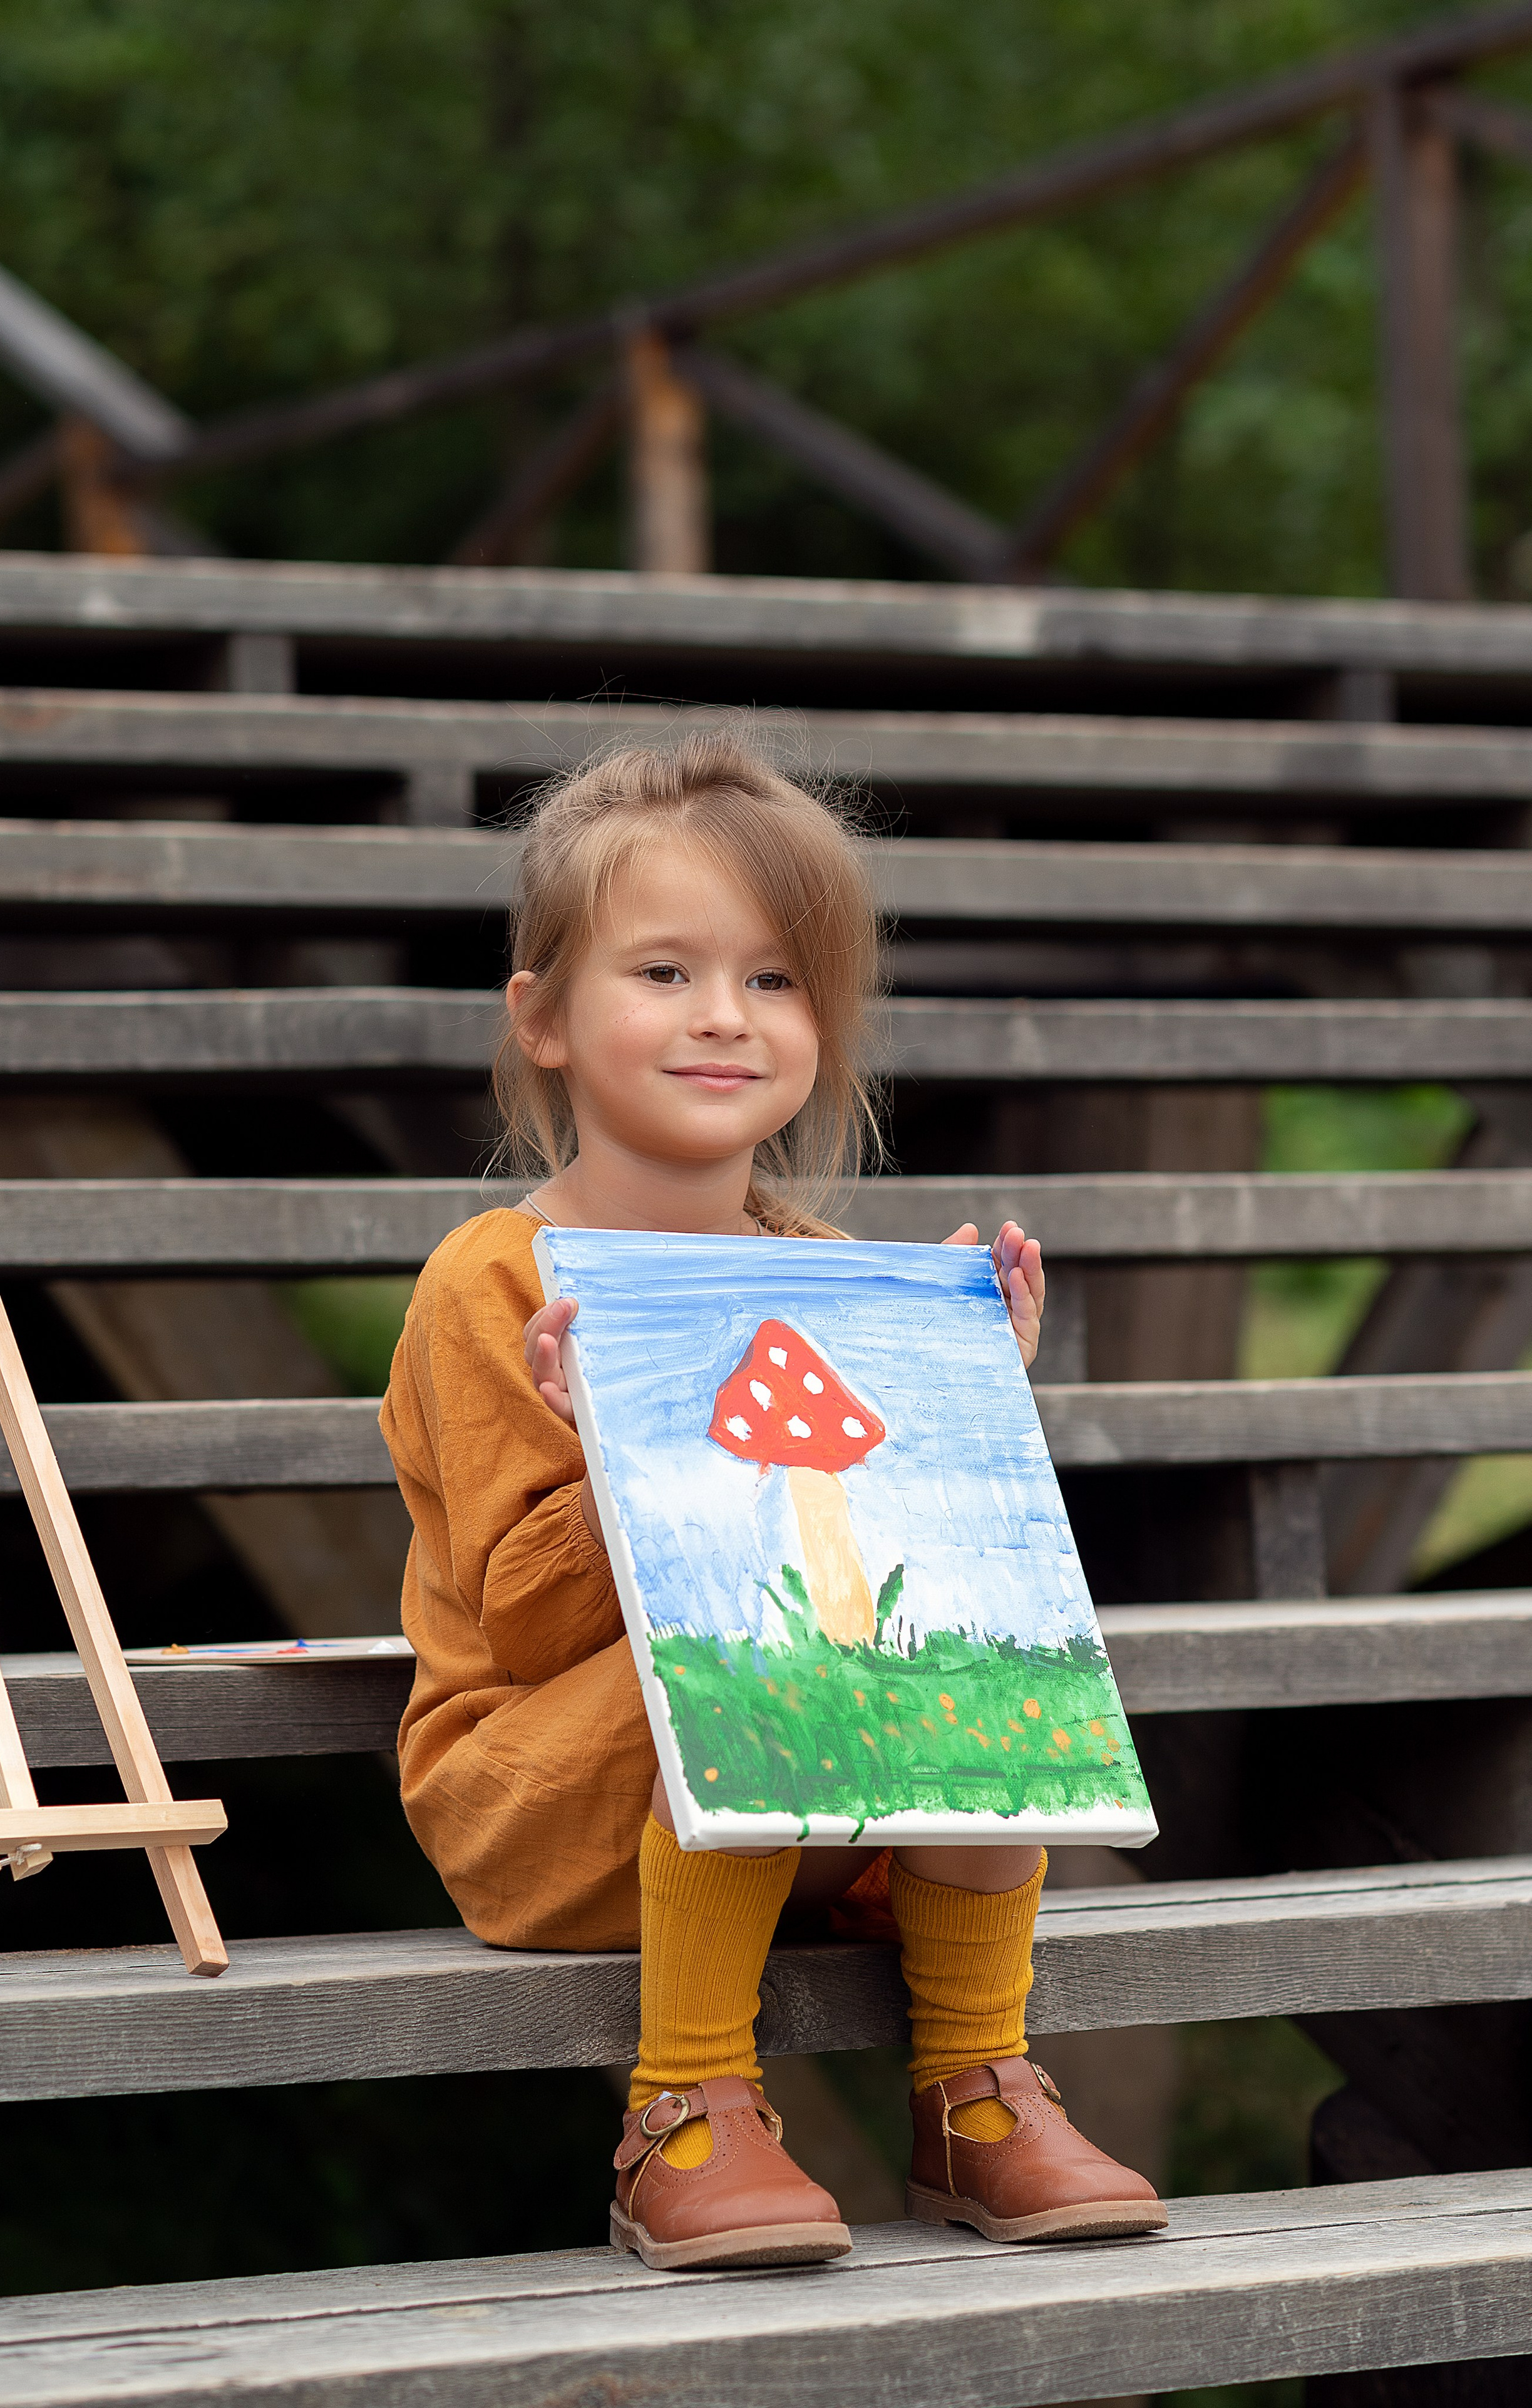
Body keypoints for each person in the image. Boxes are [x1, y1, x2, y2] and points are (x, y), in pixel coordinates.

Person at [381, 734, 1164, 2272]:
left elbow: (893, 1557)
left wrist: (962, 1397)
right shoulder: (494, 1281)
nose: (724, 1017)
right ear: (540, 1019)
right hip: (543, 1791)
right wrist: (625, 1440)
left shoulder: (822, 1274)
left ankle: (974, 2091)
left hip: (803, 1797)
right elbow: (527, 1621)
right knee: (756, 1656)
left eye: (776, 979)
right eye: (663, 972)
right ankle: (680, 2107)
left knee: (983, 1645)